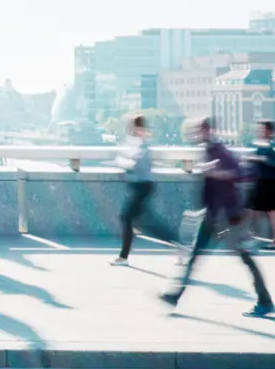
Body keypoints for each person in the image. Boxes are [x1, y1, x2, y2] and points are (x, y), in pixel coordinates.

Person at [161, 117, 273, 317]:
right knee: (195, 256)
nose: (198, 134)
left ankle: (265, 300)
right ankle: (175, 295)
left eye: (201, 130)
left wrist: (216, 172)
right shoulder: (208, 149)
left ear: (209, 130)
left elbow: (237, 172)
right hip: (213, 215)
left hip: (229, 218)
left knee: (245, 258)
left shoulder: (219, 149)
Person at [112, 114, 175, 266]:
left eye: (133, 126)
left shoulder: (142, 144)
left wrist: (123, 165)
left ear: (138, 127)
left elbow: (136, 164)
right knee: (145, 222)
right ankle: (179, 246)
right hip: (140, 186)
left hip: (142, 187)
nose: (131, 129)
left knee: (126, 217)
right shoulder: (137, 142)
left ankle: (124, 257)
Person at [244, 120, 275, 251]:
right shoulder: (255, 145)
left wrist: (261, 159)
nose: (260, 132)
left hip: (269, 183)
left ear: (269, 131)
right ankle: (250, 237)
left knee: (271, 212)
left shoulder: (272, 146)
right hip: (258, 182)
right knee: (251, 209)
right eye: (259, 129)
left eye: (263, 129)